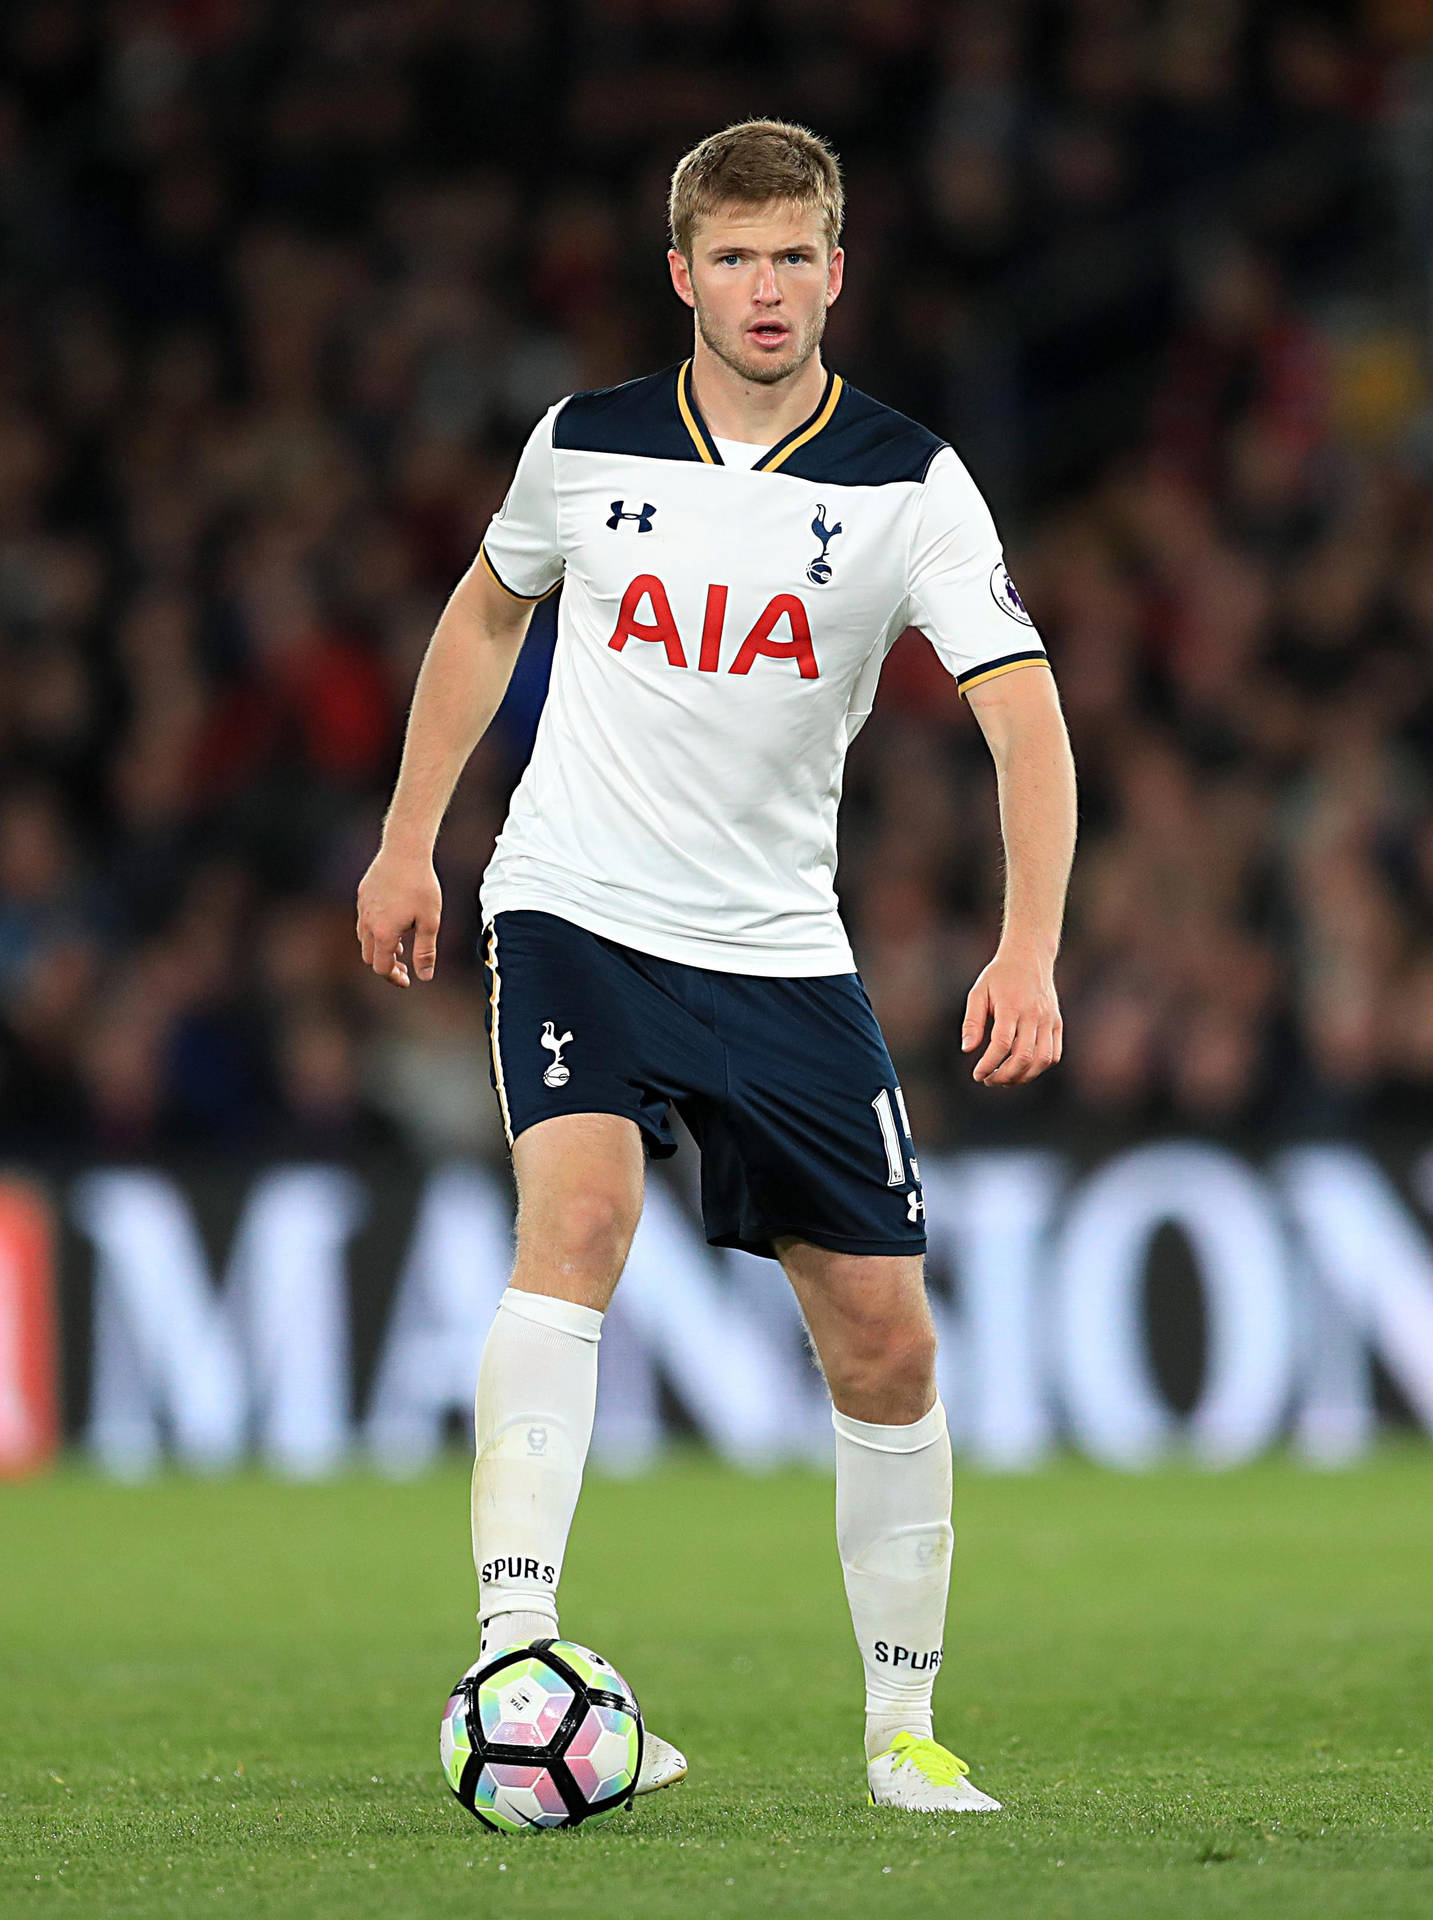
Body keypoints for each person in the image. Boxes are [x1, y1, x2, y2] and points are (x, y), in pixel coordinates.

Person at [357, 119, 1076, 1813]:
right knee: (580, 1221)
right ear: (682, 274)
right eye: (735, 258)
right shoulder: (583, 444)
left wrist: (1027, 944)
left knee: (885, 1344)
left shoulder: (908, 481)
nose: (767, 287)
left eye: (795, 254)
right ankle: (508, 1641)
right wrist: (408, 838)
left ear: (840, 267)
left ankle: (902, 1730)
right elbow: (483, 610)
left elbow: (1025, 717)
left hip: (772, 950)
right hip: (573, 905)